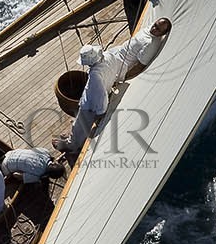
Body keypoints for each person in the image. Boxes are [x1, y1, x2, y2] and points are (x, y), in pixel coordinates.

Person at [53, 19, 173, 157]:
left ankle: (71, 145)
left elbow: (101, 96)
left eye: (158, 29)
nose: (154, 28)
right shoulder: (108, 57)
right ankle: (74, 131)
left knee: (83, 120)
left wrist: (100, 112)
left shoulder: (96, 77)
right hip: (108, 74)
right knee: (79, 121)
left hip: (90, 104)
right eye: (155, 25)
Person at [2, 146, 67, 186]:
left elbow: (32, 150)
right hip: (5, 166)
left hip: (9, 153)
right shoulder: (37, 176)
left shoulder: (45, 152)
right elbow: (15, 174)